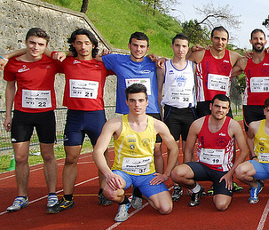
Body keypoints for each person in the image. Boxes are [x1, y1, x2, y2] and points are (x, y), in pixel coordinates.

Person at [92, 83, 178, 222]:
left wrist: (166, 174)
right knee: (109, 191)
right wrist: (108, 174)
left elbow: (173, 148)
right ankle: (124, 202)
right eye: (132, 100)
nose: (137, 105)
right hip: (123, 173)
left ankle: (141, 192)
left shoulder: (157, 124)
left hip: (147, 175)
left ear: (147, 102)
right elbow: (97, 152)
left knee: (165, 208)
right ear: (126, 102)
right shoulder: (115, 124)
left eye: (140, 100)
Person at [53, 29, 112, 212]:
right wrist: (65, 53)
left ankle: (104, 192)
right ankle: (68, 198)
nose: (83, 46)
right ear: (73, 44)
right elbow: (44, 53)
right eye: (78, 43)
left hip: (96, 116)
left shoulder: (101, 64)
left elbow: (125, 62)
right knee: (71, 158)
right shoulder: (68, 62)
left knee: (102, 156)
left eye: (87, 43)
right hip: (75, 117)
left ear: (93, 45)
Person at [101, 32, 164, 201]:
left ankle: (154, 182)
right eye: (135, 45)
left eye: (142, 46)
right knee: (131, 150)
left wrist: (158, 58)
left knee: (156, 151)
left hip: (151, 110)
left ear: (148, 49)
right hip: (128, 111)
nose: (138, 49)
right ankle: (132, 187)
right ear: (129, 45)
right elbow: (89, 56)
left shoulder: (153, 62)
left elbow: (167, 62)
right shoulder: (115, 60)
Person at [3, 28, 60, 213]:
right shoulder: (13, 64)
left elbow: (65, 55)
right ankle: (21, 196)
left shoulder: (51, 61)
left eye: (40, 44)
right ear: (26, 42)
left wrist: (10, 52)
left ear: (46, 46)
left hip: (45, 115)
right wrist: (8, 114)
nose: (35, 47)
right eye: (32, 43)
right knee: (20, 157)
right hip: (22, 115)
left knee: (48, 155)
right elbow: (10, 88)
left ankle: (52, 194)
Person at [170, 94, 248, 210]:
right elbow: (188, 150)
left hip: (223, 171)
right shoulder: (197, 124)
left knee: (221, 206)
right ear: (211, 106)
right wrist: (189, 170)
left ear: (228, 110)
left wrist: (230, 174)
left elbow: (244, 151)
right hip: (202, 167)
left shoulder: (233, 125)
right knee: (176, 173)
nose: (220, 110)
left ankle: (220, 187)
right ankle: (197, 189)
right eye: (217, 106)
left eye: (224, 108)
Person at [158, 33, 197, 201]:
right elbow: (160, 90)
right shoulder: (164, 66)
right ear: (172, 46)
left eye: (184, 46)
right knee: (172, 149)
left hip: (189, 112)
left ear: (188, 48)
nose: (181, 49)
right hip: (171, 112)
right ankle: (176, 185)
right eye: (178, 45)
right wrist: (161, 114)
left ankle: (189, 182)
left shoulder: (193, 66)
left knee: (189, 149)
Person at [233, 29, 269, 131]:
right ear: (251, 41)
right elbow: (227, 73)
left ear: (265, 41)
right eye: (255, 39)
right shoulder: (244, 61)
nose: (258, 41)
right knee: (251, 136)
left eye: (261, 39)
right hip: (250, 106)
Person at [189, 26, 242, 118]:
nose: (220, 42)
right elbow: (180, 63)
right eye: (217, 38)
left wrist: (268, 52)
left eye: (223, 39)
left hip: (224, 103)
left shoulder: (233, 56)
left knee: (228, 131)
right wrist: (190, 50)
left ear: (227, 41)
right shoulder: (200, 54)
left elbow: (252, 63)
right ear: (211, 39)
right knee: (203, 132)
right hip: (204, 103)